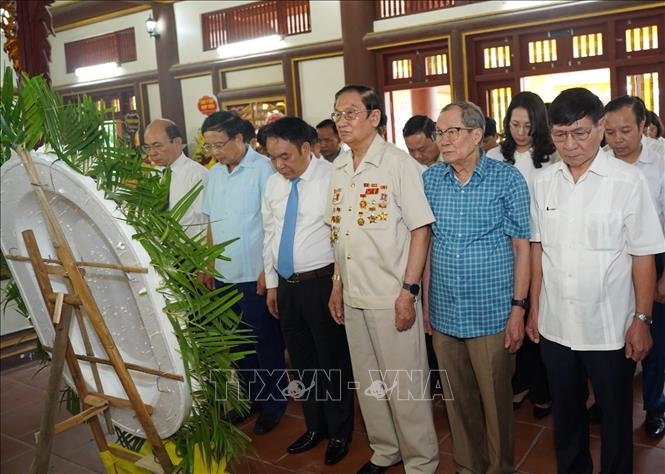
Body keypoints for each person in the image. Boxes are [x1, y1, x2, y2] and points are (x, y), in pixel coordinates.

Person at [528, 87, 665, 473]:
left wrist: (641, 320)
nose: (570, 145)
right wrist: (535, 308)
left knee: (616, 420)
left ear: (600, 126)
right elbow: (540, 252)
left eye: (581, 133)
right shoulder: (543, 183)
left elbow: (643, 255)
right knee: (567, 419)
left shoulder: (627, 181)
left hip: (609, 327)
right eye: (560, 135)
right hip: (556, 327)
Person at [326, 85, 439, 474]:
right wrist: (337, 284)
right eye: (338, 114)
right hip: (354, 291)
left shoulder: (397, 164)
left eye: (350, 113)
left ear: (374, 118)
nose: (342, 121)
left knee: (404, 385)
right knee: (369, 383)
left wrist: (409, 291)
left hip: (391, 294)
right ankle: (385, 450)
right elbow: (338, 233)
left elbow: (420, 229)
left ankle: (421, 462)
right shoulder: (339, 168)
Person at [423, 101, 531, 474]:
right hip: (445, 309)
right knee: (457, 400)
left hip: (491, 312)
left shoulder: (507, 179)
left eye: (452, 131)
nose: (444, 140)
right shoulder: (431, 179)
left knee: (496, 402)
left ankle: (500, 468)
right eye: (439, 132)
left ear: (476, 135)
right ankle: (469, 466)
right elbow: (428, 243)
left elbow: (522, 247)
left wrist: (519, 308)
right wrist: (425, 306)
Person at [262, 117, 355, 465]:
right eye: (273, 158)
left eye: (285, 156)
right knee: (302, 363)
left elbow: (342, 237)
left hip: (322, 284)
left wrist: (338, 285)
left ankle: (340, 432)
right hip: (286, 285)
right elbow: (270, 233)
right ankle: (315, 427)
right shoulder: (273, 184)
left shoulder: (332, 178)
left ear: (306, 147)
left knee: (331, 361)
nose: (279, 165)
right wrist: (272, 284)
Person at [200, 110, 288, 435]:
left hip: (255, 273)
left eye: (219, 145)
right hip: (224, 274)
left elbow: (272, 223)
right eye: (209, 147)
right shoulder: (215, 174)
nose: (215, 152)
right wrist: (208, 263)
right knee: (237, 343)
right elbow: (211, 221)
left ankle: (275, 402)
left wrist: (269, 270)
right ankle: (253, 398)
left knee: (264, 340)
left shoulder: (264, 170)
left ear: (239, 138)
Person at [487, 91, 557, 420]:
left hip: (542, 247)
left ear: (539, 125)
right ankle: (520, 382)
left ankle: (543, 388)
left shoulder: (552, 156)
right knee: (513, 314)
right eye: (514, 124)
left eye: (528, 125)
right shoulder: (495, 157)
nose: (520, 132)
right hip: (506, 248)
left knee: (537, 316)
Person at [603, 95, 665, 439]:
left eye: (626, 130)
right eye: (609, 132)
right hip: (614, 256)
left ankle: (655, 406)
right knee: (614, 334)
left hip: (657, 255)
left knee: (654, 337)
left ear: (644, 127)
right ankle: (611, 401)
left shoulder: (661, 160)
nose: (617, 139)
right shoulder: (599, 162)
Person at [143, 119, 208, 238]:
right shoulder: (154, 173)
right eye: (147, 147)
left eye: (157, 146)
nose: (152, 153)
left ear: (177, 142)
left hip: (193, 251)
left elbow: (207, 222)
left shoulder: (197, 175)